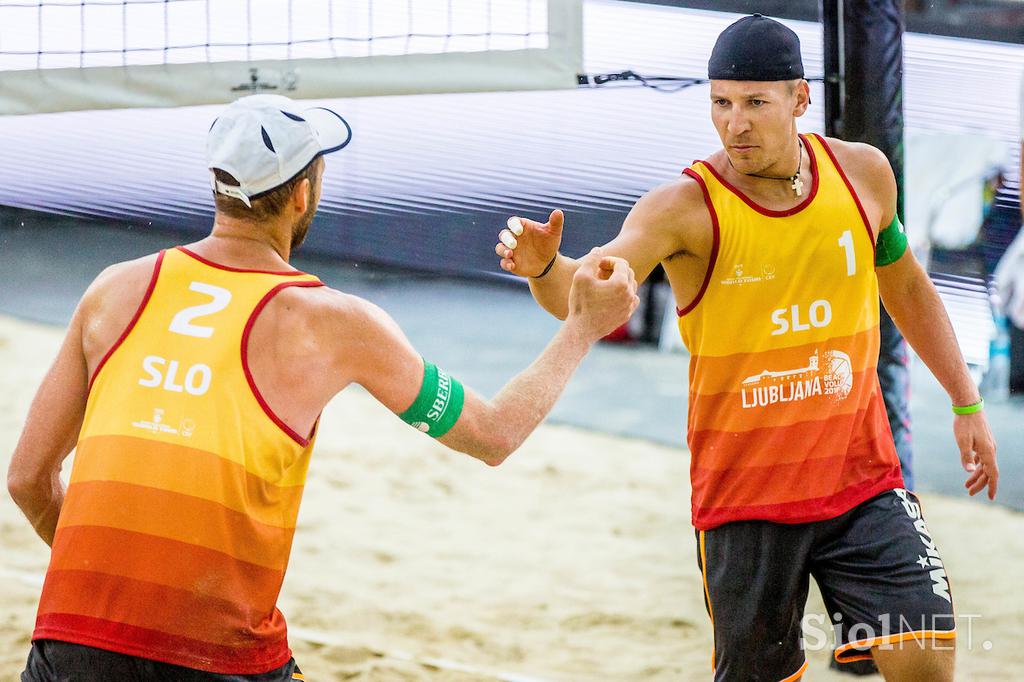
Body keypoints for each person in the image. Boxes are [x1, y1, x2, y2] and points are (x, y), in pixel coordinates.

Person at [6, 94, 639, 680]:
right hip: (218, 655)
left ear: (217, 187)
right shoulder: (335, 322)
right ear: (304, 195)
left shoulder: (114, 289)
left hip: (68, 641)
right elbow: (494, 435)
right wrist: (583, 327)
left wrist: (120, 584)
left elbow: (27, 479)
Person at [494, 15, 998, 681]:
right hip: (746, 503)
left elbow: (907, 288)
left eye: (755, 103)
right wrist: (543, 268)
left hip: (861, 484)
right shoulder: (684, 208)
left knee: (928, 659)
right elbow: (584, 295)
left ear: (799, 99)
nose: (736, 124)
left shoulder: (863, 174)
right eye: (721, 104)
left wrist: (967, 403)